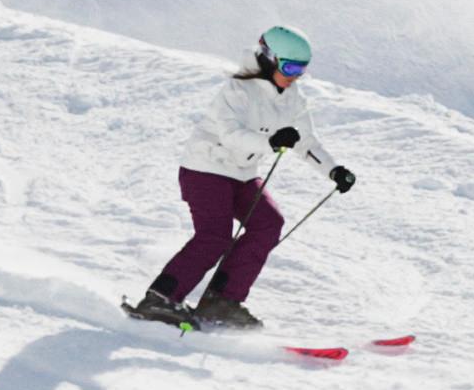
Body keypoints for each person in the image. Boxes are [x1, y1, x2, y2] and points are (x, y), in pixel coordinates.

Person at [131, 24, 353, 330]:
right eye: (289, 66)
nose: (295, 75)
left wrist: (334, 170)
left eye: (301, 69)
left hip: (242, 174)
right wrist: (272, 143)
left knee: (268, 223)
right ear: (268, 58)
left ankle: (222, 301)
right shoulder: (237, 90)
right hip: (206, 168)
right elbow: (231, 135)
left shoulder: (293, 98)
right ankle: (159, 298)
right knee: (214, 236)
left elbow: (306, 142)